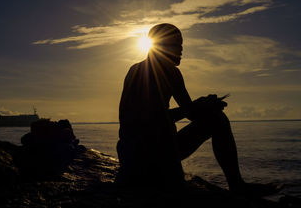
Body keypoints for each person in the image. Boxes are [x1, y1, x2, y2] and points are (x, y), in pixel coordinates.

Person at [116, 23, 280, 196]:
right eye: (176, 45)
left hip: (158, 149)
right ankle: (236, 186)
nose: (181, 50)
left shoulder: (172, 73)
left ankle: (237, 185)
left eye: (181, 45)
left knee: (217, 119)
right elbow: (150, 120)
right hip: (140, 155)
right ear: (161, 46)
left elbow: (191, 113)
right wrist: (199, 106)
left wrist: (206, 106)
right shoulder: (141, 72)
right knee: (216, 120)